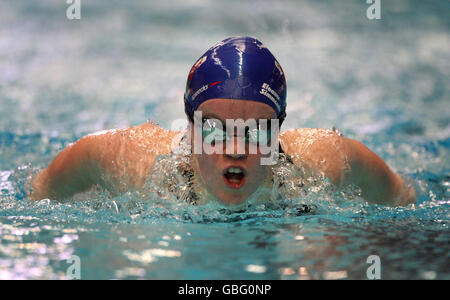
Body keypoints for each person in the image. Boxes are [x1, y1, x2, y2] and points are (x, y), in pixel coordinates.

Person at [30, 36, 416, 207]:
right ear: (190, 126)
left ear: (279, 129)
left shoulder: (326, 161)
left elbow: (405, 204)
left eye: (258, 131)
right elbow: (38, 195)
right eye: (214, 129)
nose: (235, 149)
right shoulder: (126, 160)